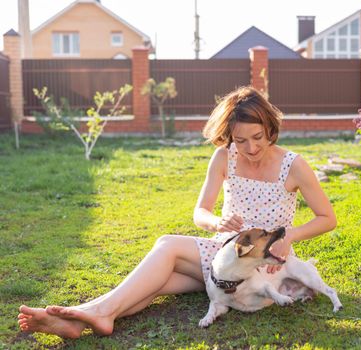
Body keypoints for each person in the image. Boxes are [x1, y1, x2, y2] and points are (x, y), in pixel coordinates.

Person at [17, 86, 337, 338]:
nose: (251, 148)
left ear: (270, 128)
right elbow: (201, 211)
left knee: (167, 248)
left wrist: (288, 236)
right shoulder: (224, 158)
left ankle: (92, 313)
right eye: (241, 140)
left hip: (263, 268)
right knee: (160, 278)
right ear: (229, 136)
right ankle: (85, 318)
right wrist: (216, 221)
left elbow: (328, 218)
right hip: (223, 256)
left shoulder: (293, 165)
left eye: (258, 138)